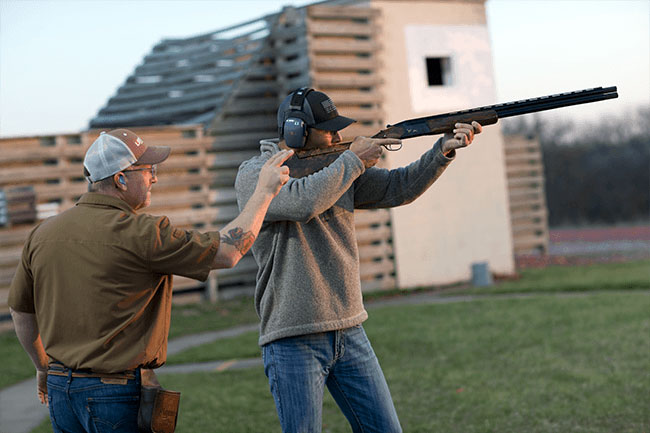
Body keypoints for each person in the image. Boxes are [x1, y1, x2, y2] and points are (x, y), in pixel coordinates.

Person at [9, 128, 293, 433]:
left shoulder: (43, 234)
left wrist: (42, 367)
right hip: (114, 393)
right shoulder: (142, 233)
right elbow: (228, 251)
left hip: (61, 391)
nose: (154, 178)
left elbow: (21, 311)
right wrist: (264, 192)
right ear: (120, 178)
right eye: (148, 170)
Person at [235, 87, 482, 432]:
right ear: (296, 131)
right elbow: (302, 202)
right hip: (293, 337)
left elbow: (400, 187)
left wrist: (441, 152)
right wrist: (352, 161)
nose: (338, 136)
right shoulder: (257, 174)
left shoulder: (338, 170)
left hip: (349, 329)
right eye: (329, 130)